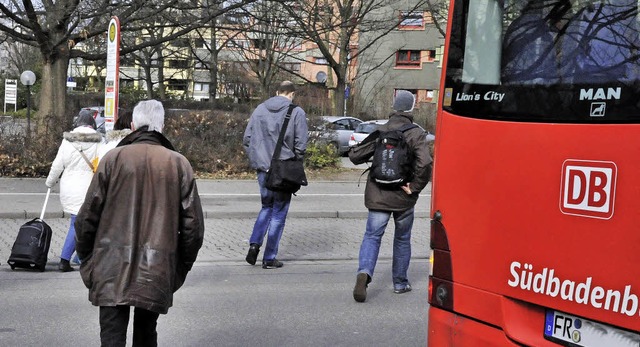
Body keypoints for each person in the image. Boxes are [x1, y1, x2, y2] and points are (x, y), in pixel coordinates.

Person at [74, 99, 205, 346]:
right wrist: (179, 267)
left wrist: (88, 259)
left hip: (110, 264)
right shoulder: (179, 163)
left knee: (111, 336)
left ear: (132, 125)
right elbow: (193, 228)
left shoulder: (112, 159)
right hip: (157, 266)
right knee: (147, 334)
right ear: (162, 126)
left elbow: (87, 216)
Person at [348, 90, 432, 302]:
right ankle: (400, 283)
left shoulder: (381, 130)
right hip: (403, 197)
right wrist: (414, 187)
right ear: (412, 108)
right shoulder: (416, 133)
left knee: (372, 236)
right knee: (402, 239)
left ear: (394, 107)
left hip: (378, 195)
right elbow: (426, 163)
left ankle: (364, 274)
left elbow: (356, 156)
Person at [243, 81, 308, 269]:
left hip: (263, 169)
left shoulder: (259, 109)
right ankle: (269, 257)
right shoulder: (296, 112)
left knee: (266, 207)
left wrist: (258, 160)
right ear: (292, 94)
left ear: (277, 91)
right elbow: (301, 144)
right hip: (284, 170)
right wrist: (295, 161)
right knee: (279, 212)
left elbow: (247, 139)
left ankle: (254, 244)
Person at [45, 110, 103, 272]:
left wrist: (49, 183)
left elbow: (57, 166)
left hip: (69, 188)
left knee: (79, 222)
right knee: (79, 224)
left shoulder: (67, 141)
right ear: (93, 125)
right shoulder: (99, 142)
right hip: (89, 189)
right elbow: (104, 166)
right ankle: (65, 260)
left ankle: (80, 256)